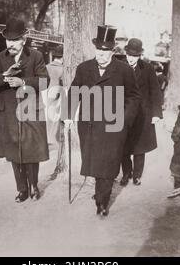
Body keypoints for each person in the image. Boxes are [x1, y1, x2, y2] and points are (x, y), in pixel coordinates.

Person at [64, 25, 139, 217]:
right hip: (89, 125)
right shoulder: (84, 68)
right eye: (99, 50)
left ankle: (102, 201)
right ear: (95, 49)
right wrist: (67, 115)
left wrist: (125, 119)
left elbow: (133, 97)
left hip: (114, 126)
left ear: (112, 51)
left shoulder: (123, 70)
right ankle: (100, 192)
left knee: (109, 164)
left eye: (106, 51)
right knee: (95, 162)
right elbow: (74, 91)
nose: (102, 54)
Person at [0, 17, 49, 203]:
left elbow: (45, 81)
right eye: (8, 39)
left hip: (30, 108)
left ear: (24, 39)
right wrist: (5, 76)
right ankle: (21, 189)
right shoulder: (0, 57)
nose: (11, 44)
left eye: (15, 40)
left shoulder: (35, 56)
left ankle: (34, 186)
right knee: (14, 152)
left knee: (31, 151)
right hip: (8, 111)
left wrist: (23, 82)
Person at [120, 38, 163, 186]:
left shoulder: (148, 68)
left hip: (143, 114)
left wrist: (156, 113)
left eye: (135, 56)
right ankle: (126, 173)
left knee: (140, 147)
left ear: (140, 56)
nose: (131, 59)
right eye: (129, 55)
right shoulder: (119, 67)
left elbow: (155, 91)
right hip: (123, 112)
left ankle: (137, 175)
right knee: (123, 145)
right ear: (126, 54)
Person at [44, 45, 64, 147]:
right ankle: (53, 138)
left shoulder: (46, 67)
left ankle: (47, 137)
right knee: (56, 117)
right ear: (62, 57)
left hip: (46, 94)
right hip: (58, 94)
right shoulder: (63, 69)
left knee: (47, 116)